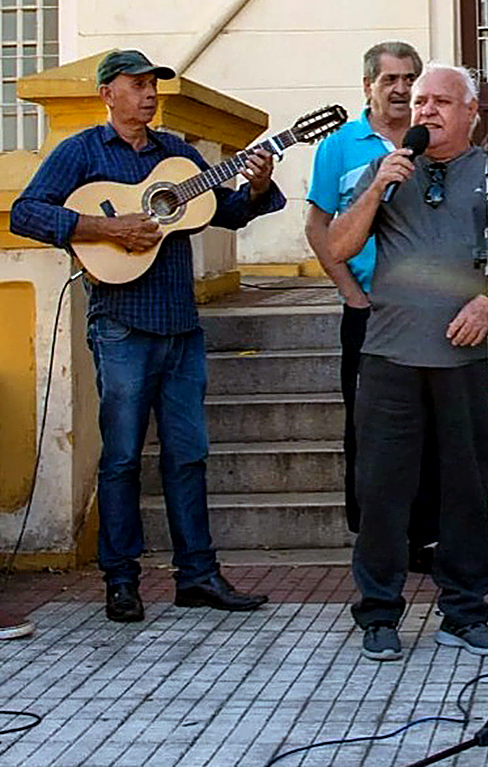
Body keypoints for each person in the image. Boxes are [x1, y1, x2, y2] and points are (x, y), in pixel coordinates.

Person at [10, 49, 284, 623]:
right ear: (108, 92)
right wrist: (103, 226)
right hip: (120, 325)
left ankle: (198, 576)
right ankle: (122, 580)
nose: (150, 95)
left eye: (153, 86)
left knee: (190, 456)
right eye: (137, 85)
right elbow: (26, 213)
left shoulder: (178, 155)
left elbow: (226, 212)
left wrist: (257, 187)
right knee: (122, 459)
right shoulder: (81, 151)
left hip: (181, 326)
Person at [328, 64, 488, 661]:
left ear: (471, 112)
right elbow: (339, 246)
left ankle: (465, 610)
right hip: (389, 354)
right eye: (420, 101)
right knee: (382, 488)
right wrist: (379, 187)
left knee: (466, 487)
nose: (424, 111)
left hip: (467, 356)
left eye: (440, 102)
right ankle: (378, 612)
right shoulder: (387, 169)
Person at [305, 41, 439, 572]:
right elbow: (318, 226)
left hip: (426, 312)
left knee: (428, 425)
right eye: (390, 80)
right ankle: (373, 535)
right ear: (368, 87)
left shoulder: (436, 141)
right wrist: (348, 291)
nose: (402, 89)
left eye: (410, 78)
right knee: (367, 428)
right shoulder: (338, 147)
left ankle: (425, 536)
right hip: (368, 309)